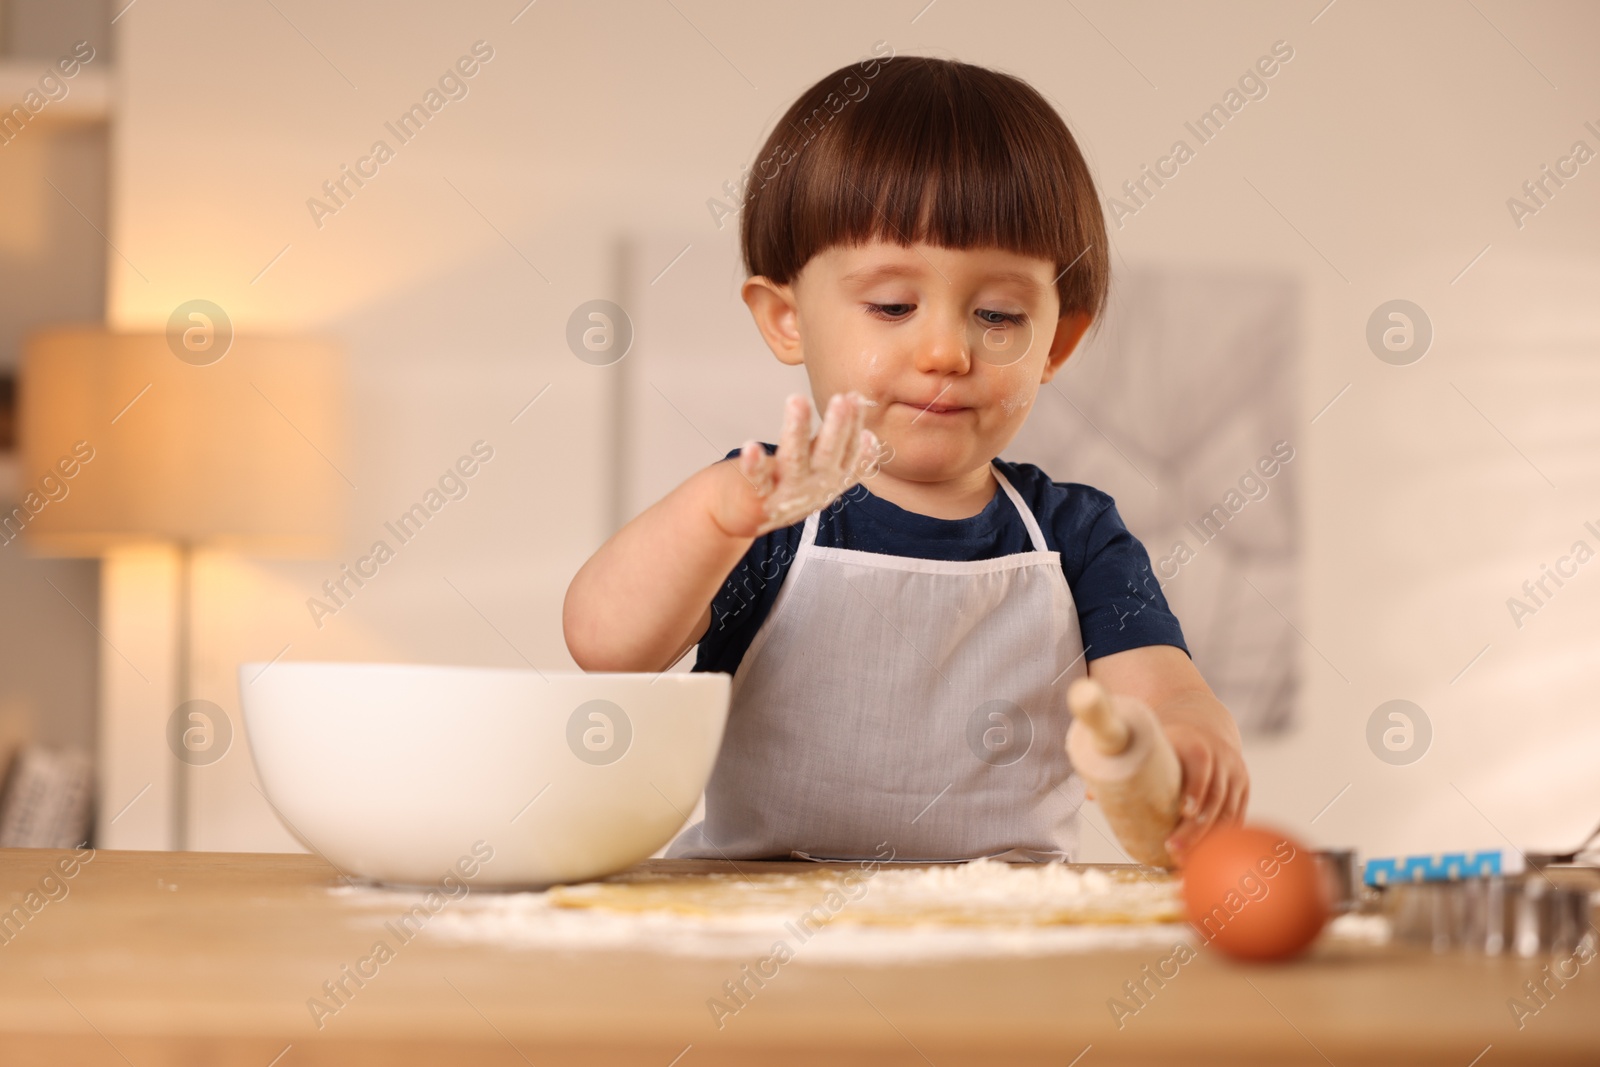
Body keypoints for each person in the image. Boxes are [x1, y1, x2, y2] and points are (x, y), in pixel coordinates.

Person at [564, 53, 1247, 863]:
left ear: (1056, 341)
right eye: (893, 305)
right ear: (786, 319)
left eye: (997, 315)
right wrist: (717, 516)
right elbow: (605, 644)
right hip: (756, 924)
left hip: (1002, 932)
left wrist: (1192, 738)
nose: (947, 350)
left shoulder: (1077, 535)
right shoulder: (765, 511)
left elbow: (1159, 686)